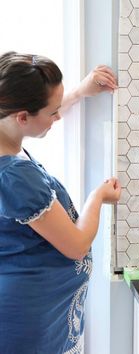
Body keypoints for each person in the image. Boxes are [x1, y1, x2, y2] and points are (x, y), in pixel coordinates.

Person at [0, 51, 121, 354]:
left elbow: (38, 118)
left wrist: (80, 91)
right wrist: (98, 197)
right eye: (53, 112)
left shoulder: (9, 137)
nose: (57, 117)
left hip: (36, 311)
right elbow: (76, 244)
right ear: (22, 117)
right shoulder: (16, 177)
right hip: (30, 322)